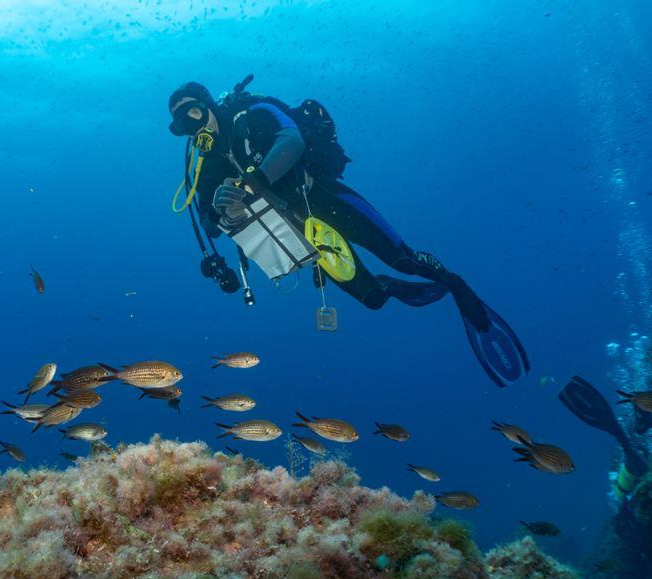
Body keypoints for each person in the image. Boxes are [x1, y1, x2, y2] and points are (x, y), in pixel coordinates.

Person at [168, 77, 530, 387]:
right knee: (372, 298)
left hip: (327, 199)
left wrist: (253, 184)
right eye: (181, 124)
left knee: (402, 258)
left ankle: (453, 283)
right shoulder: (207, 166)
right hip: (305, 232)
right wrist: (223, 210)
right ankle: (391, 285)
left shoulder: (252, 114)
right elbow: (209, 226)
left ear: (209, 104)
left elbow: (292, 141)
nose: (191, 125)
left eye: (194, 112)